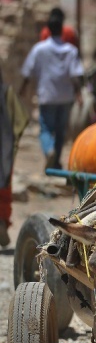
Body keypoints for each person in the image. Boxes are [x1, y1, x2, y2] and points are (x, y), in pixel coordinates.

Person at [20, 9, 84, 170]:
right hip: (65, 97)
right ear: (62, 29)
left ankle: (49, 151)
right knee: (61, 131)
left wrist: (22, 90)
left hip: (47, 95)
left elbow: (28, 72)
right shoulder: (71, 50)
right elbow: (75, 75)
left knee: (46, 128)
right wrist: (79, 95)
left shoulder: (39, 49)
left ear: (48, 29)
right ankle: (55, 162)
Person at [0, 70, 29, 247]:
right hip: (4, 148)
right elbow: (21, 118)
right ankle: (2, 220)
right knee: (3, 186)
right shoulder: (7, 92)